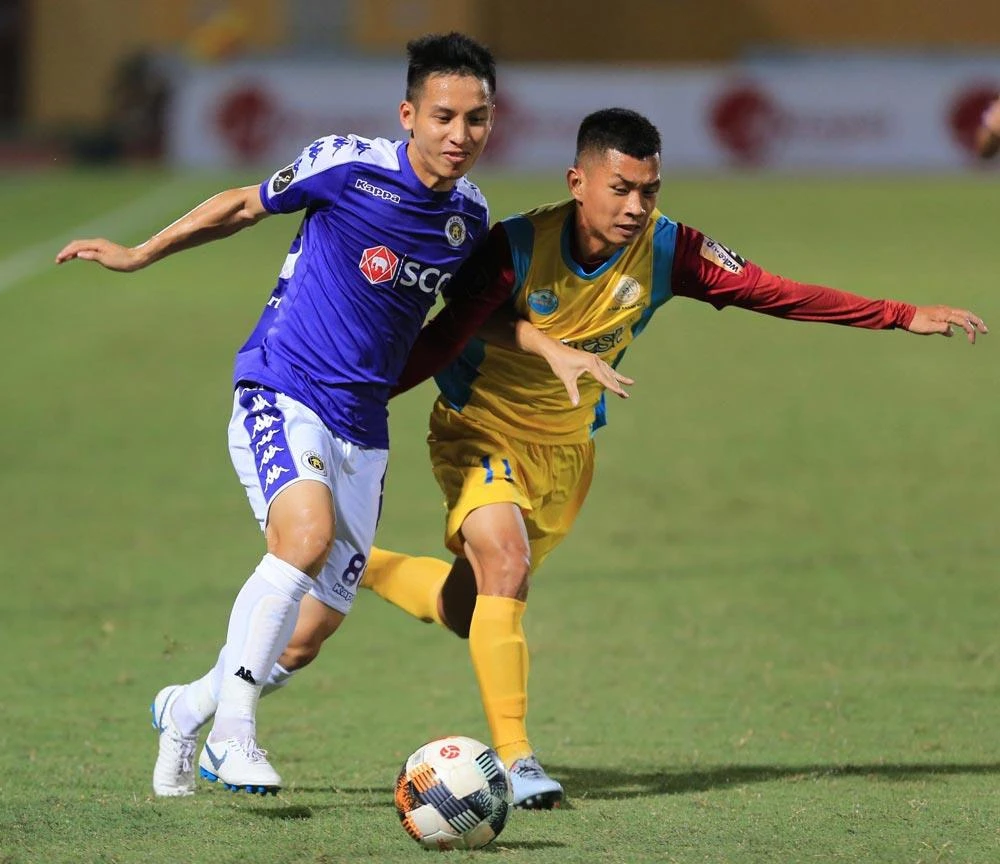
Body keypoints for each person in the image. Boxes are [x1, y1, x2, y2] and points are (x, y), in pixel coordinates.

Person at [147, 107, 988, 808]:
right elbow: (445, 334)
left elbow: (775, 292)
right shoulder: (512, 246)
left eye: (649, 190)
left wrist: (896, 313)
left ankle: (352, 579)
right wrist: (352, 399)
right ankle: (516, 763)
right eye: (620, 188)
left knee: (467, 604)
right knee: (505, 564)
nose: (636, 206)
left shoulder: (671, 250)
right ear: (577, 181)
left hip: (565, 457)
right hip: (477, 431)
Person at [55, 31, 500, 797]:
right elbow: (241, 204)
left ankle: (186, 709)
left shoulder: (470, 219)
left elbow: (458, 326)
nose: (460, 134)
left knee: (307, 635)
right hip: (283, 385)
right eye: (444, 116)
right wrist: (140, 253)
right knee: (303, 539)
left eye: (477, 118)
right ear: (409, 115)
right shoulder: (349, 166)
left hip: (363, 424)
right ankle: (232, 735)